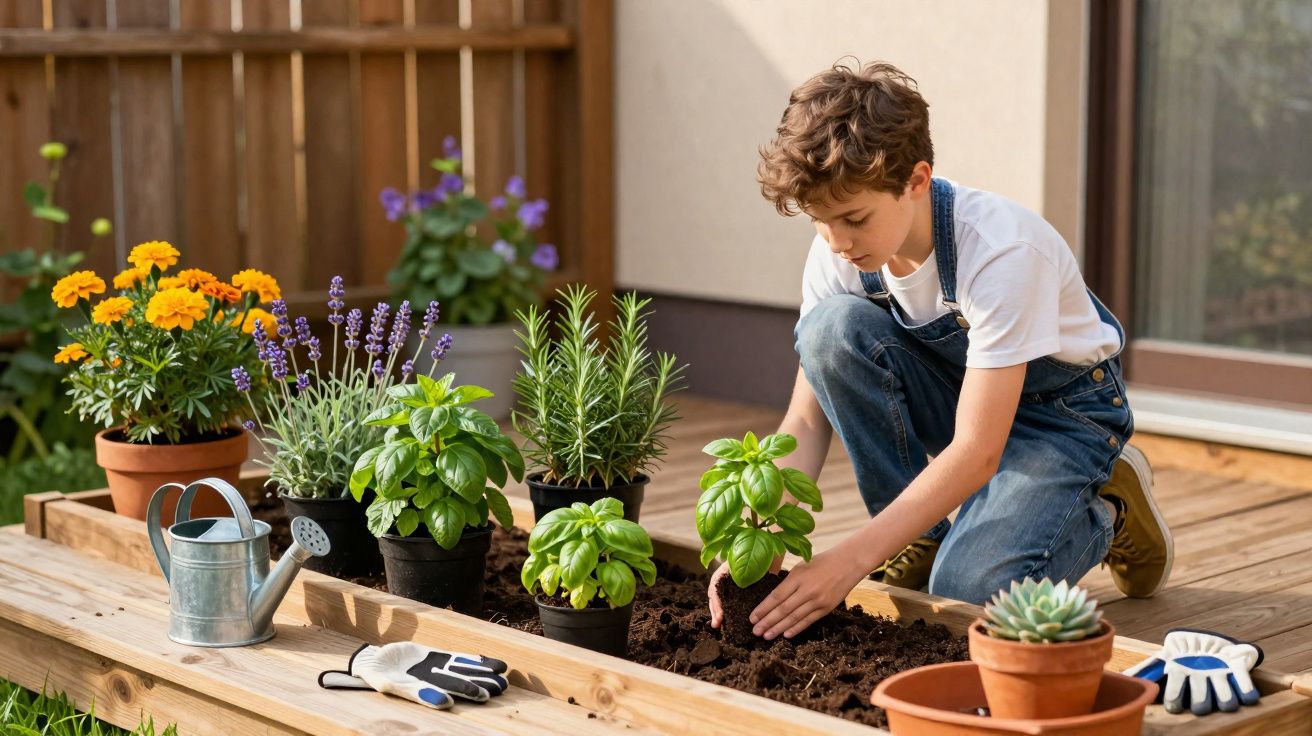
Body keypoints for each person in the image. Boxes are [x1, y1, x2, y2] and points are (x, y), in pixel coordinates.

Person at [707, 59, 1173, 641]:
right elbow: (805, 419)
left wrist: (847, 562)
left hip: (1060, 418)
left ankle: (1107, 508)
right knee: (831, 330)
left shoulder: (1002, 252)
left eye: (854, 218)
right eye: (820, 221)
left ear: (917, 180)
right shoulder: (838, 250)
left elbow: (977, 450)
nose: (837, 241)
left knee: (967, 593)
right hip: (963, 398)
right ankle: (918, 540)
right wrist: (760, 538)